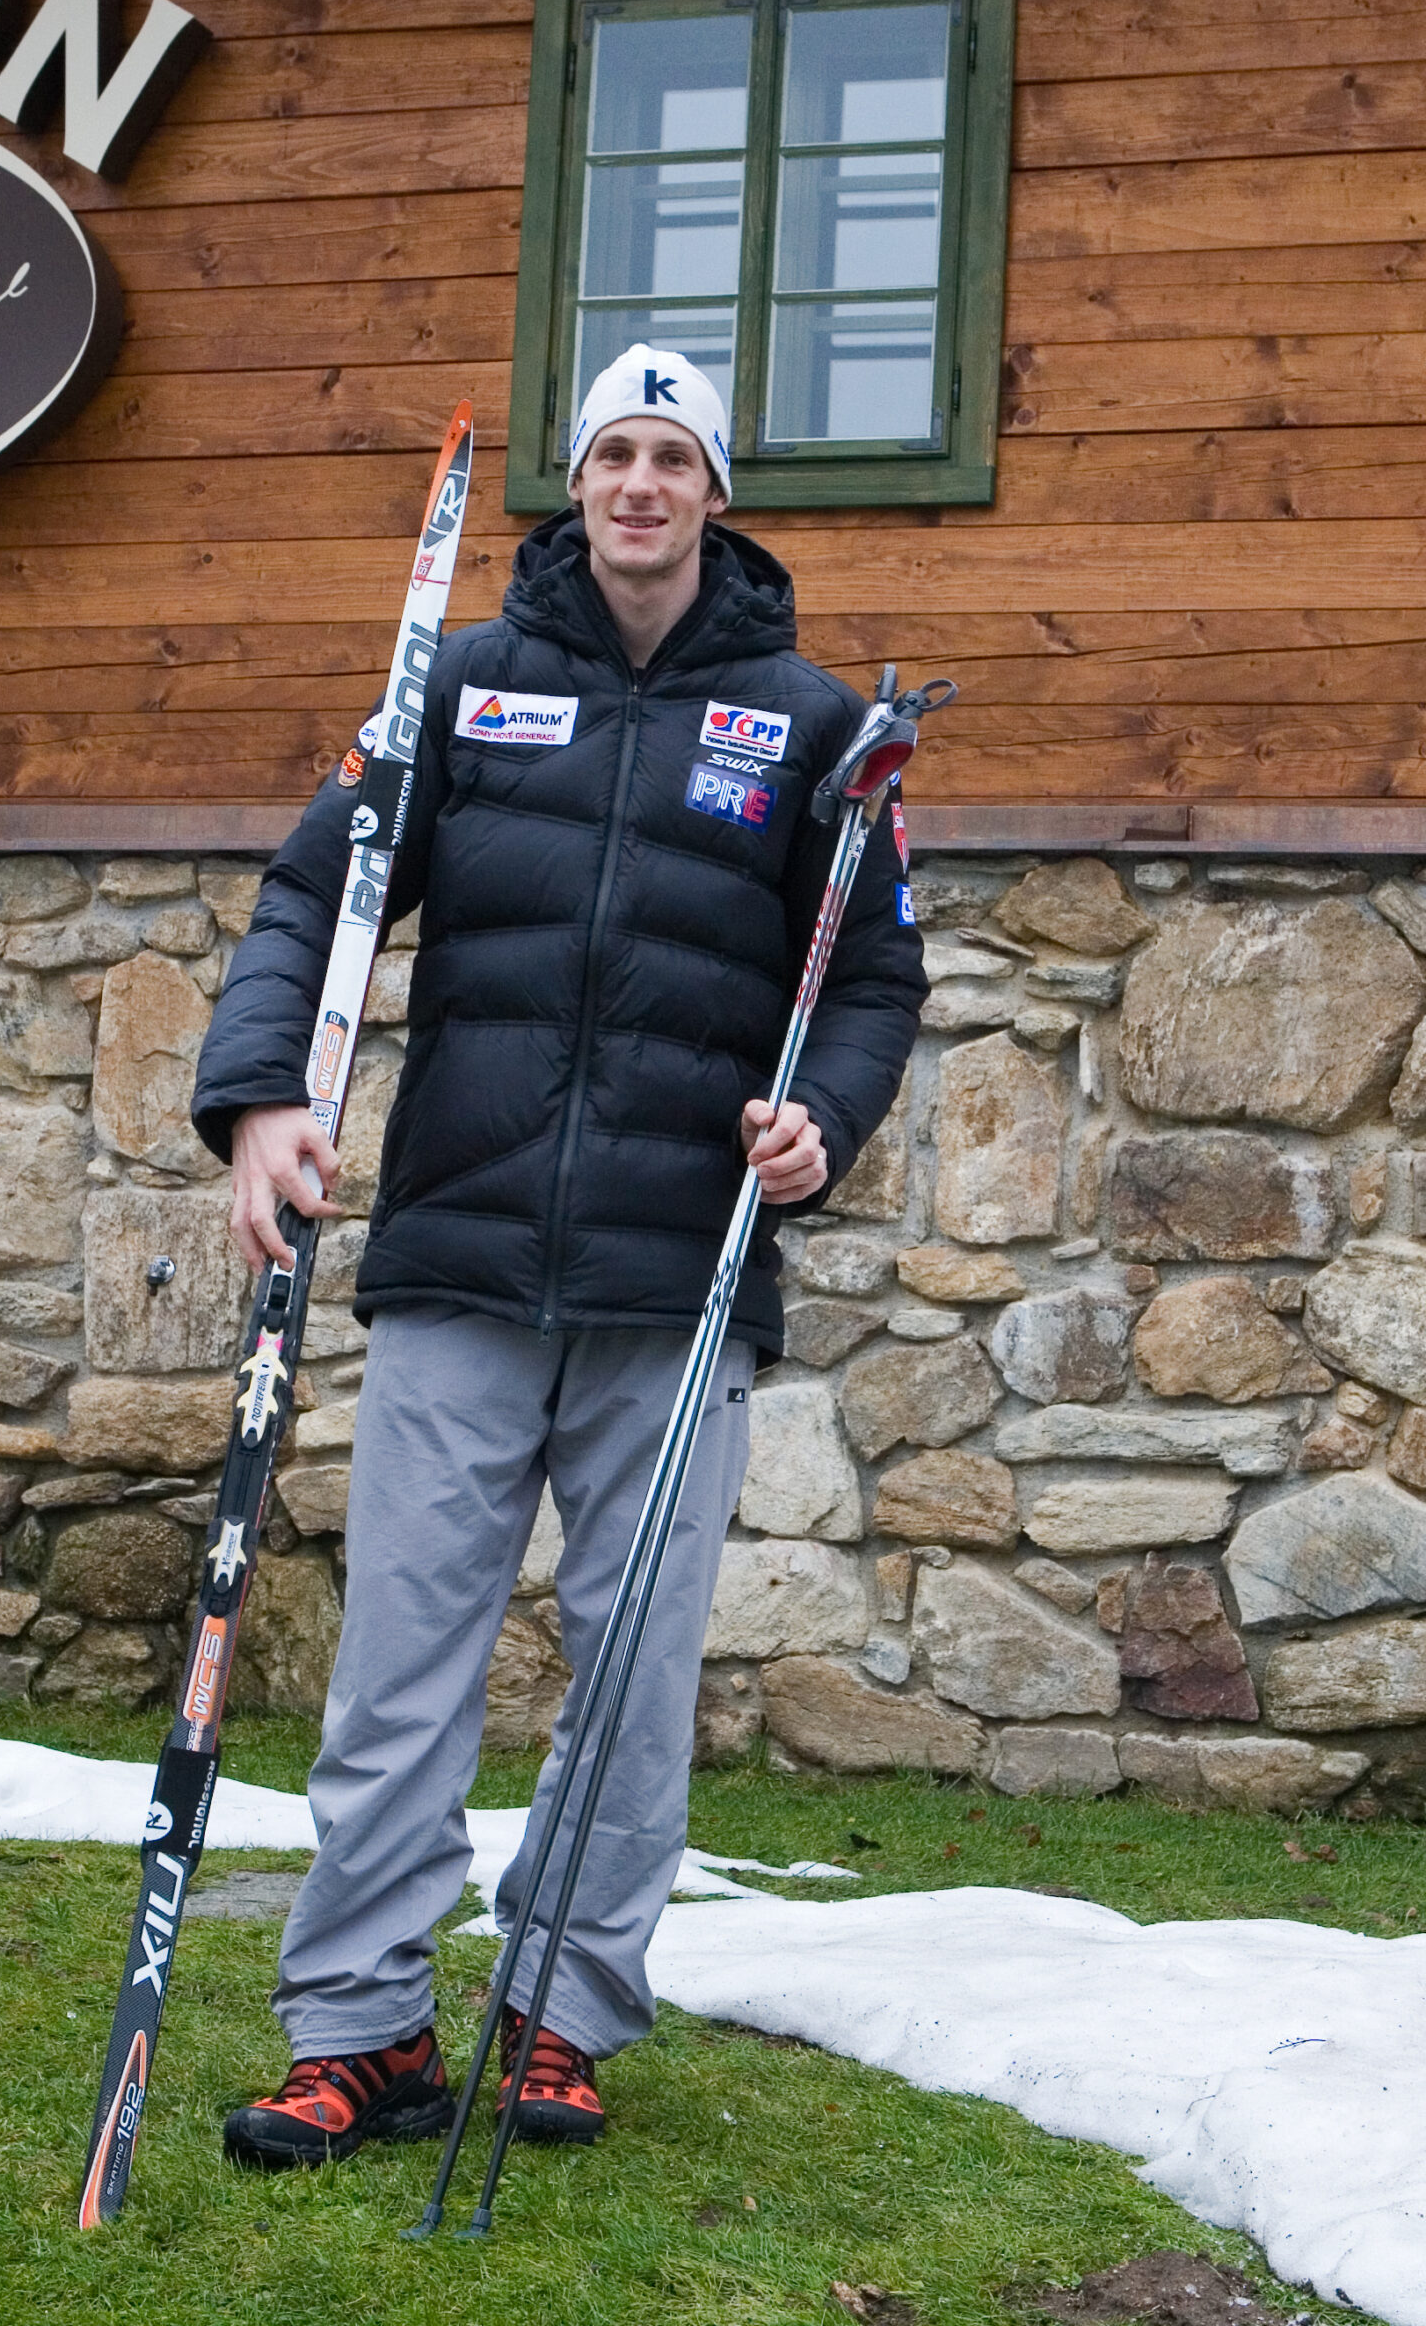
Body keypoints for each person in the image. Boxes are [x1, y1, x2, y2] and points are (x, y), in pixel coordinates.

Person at [189, 342, 927, 2168]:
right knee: (401, 1664)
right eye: (614, 451)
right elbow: (315, 895)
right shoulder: (460, 688)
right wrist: (264, 1097)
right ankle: (361, 2030)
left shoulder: (817, 727)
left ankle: (560, 2015)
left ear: (718, 494)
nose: (642, 484)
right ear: (574, 481)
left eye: (676, 455)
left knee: (634, 1667)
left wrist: (819, 1119)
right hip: (458, 1251)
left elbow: (875, 976)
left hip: (678, 1278)